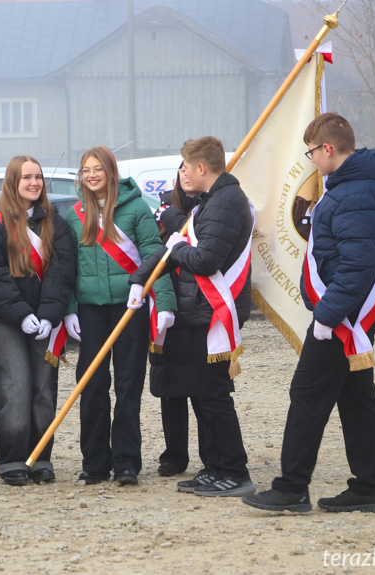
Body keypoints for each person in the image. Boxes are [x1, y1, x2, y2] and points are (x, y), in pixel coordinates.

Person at [243, 112, 375, 513]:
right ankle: (368, 488)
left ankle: (291, 488)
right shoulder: (350, 187)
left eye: (311, 153)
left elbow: (358, 265)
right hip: (344, 312)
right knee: (356, 396)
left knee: (307, 394)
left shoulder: (355, 193)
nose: (311, 161)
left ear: (328, 148)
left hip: (342, 317)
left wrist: (326, 316)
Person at [131, 136, 255, 497]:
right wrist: (141, 278)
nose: (182, 173)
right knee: (205, 393)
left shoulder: (225, 202)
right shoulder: (212, 201)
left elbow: (205, 260)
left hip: (212, 311)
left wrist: (180, 246)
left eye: (185, 166)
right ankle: (215, 466)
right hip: (202, 310)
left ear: (201, 168)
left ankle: (234, 470)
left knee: (214, 396)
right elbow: (177, 249)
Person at [63, 145, 176, 486]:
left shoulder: (137, 208)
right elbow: (66, 269)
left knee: (128, 386)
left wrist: (164, 301)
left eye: (98, 168)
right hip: (91, 311)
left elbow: (154, 255)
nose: (92, 175)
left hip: (130, 308)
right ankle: (94, 463)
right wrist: (69, 310)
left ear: (111, 172)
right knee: (92, 385)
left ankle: (126, 462)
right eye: (86, 170)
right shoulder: (74, 216)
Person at [0, 156, 76, 486]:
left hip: (44, 321)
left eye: (38, 177)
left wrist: (48, 315)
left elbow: (61, 272)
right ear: (12, 181)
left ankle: (40, 457)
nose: (34, 183)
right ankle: (13, 457)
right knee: (14, 386)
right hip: (5, 319)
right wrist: (22, 314)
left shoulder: (55, 224)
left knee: (44, 390)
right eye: (26, 177)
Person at [146, 159, 211, 478]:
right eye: (180, 172)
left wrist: (178, 223)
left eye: (190, 170)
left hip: (199, 312)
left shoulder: (207, 208)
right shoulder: (161, 214)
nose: (185, 176)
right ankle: (174, 454)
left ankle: (211, 454)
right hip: (167, 314)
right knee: (170, 389)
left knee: (203, 391)